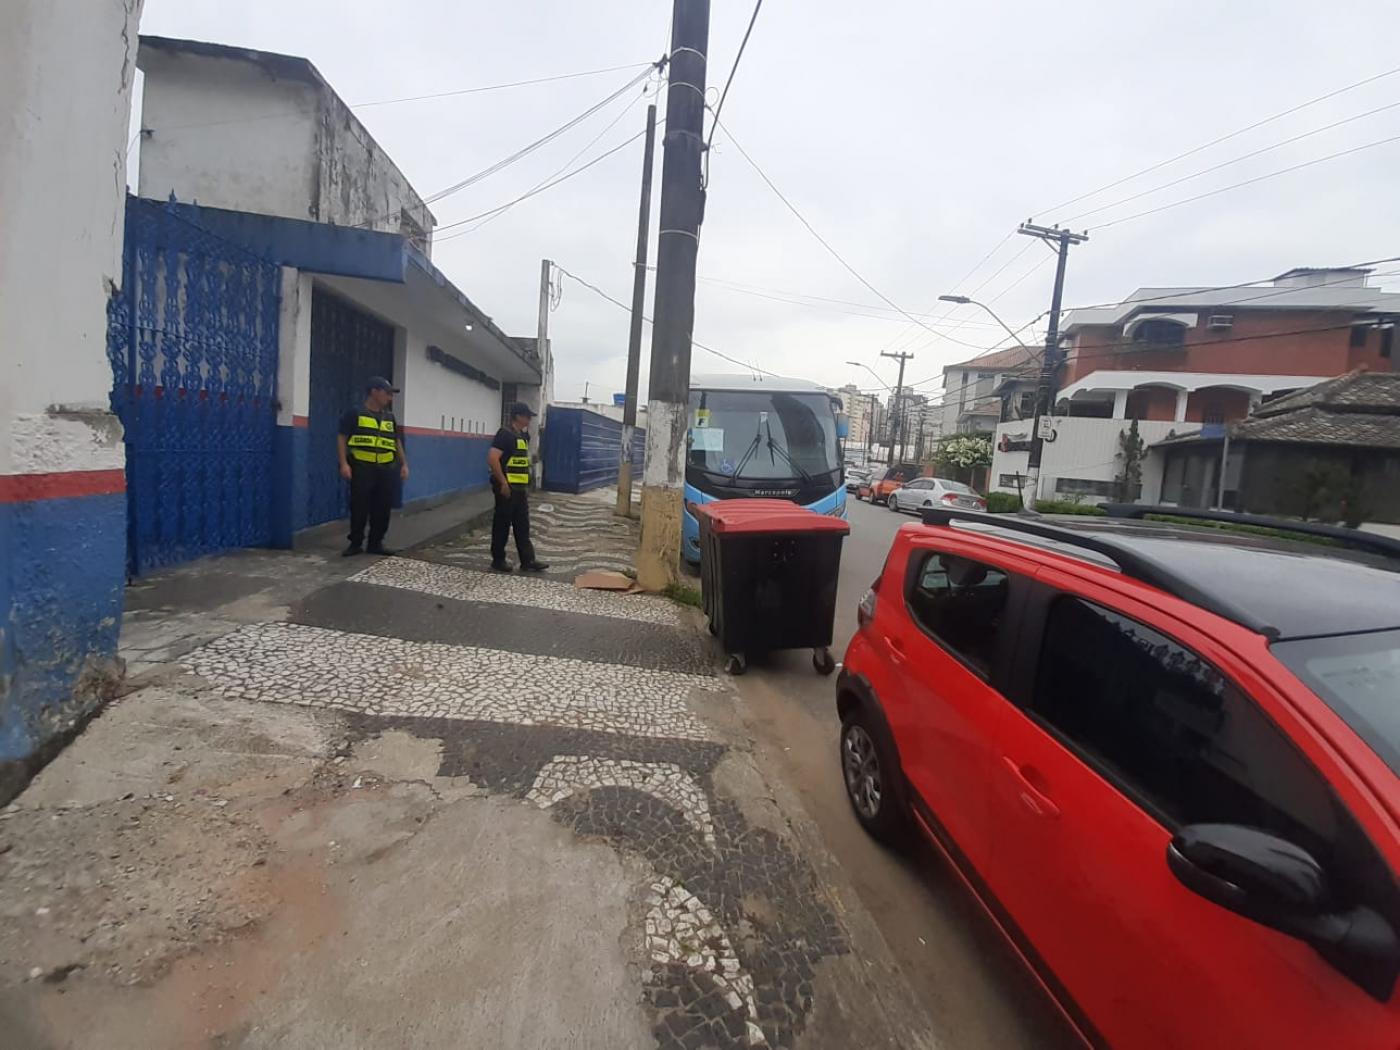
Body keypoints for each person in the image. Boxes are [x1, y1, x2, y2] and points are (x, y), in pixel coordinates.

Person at [338, 376, 409, 557]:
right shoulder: (355, 413)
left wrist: (404, 464)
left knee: (383, 508)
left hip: (386, 468)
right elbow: (342, 438)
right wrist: (344, 463)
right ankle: (355, 543)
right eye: (387, 393)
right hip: (362, 467)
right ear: (374, 392)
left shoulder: (389, 417)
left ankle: (376, 543)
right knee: (359, 507)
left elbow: (396, 441)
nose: (390, 398)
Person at [487, 402, 549, 573]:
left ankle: (528, 560)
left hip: (520, 489)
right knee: (502, 524)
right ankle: (498, 560)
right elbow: (493, 459)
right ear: (518, 416)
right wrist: (503, 482)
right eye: (527, 416)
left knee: (523, 525)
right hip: (506, 488)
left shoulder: (523, 436)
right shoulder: (504, 434)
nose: (529, 420)